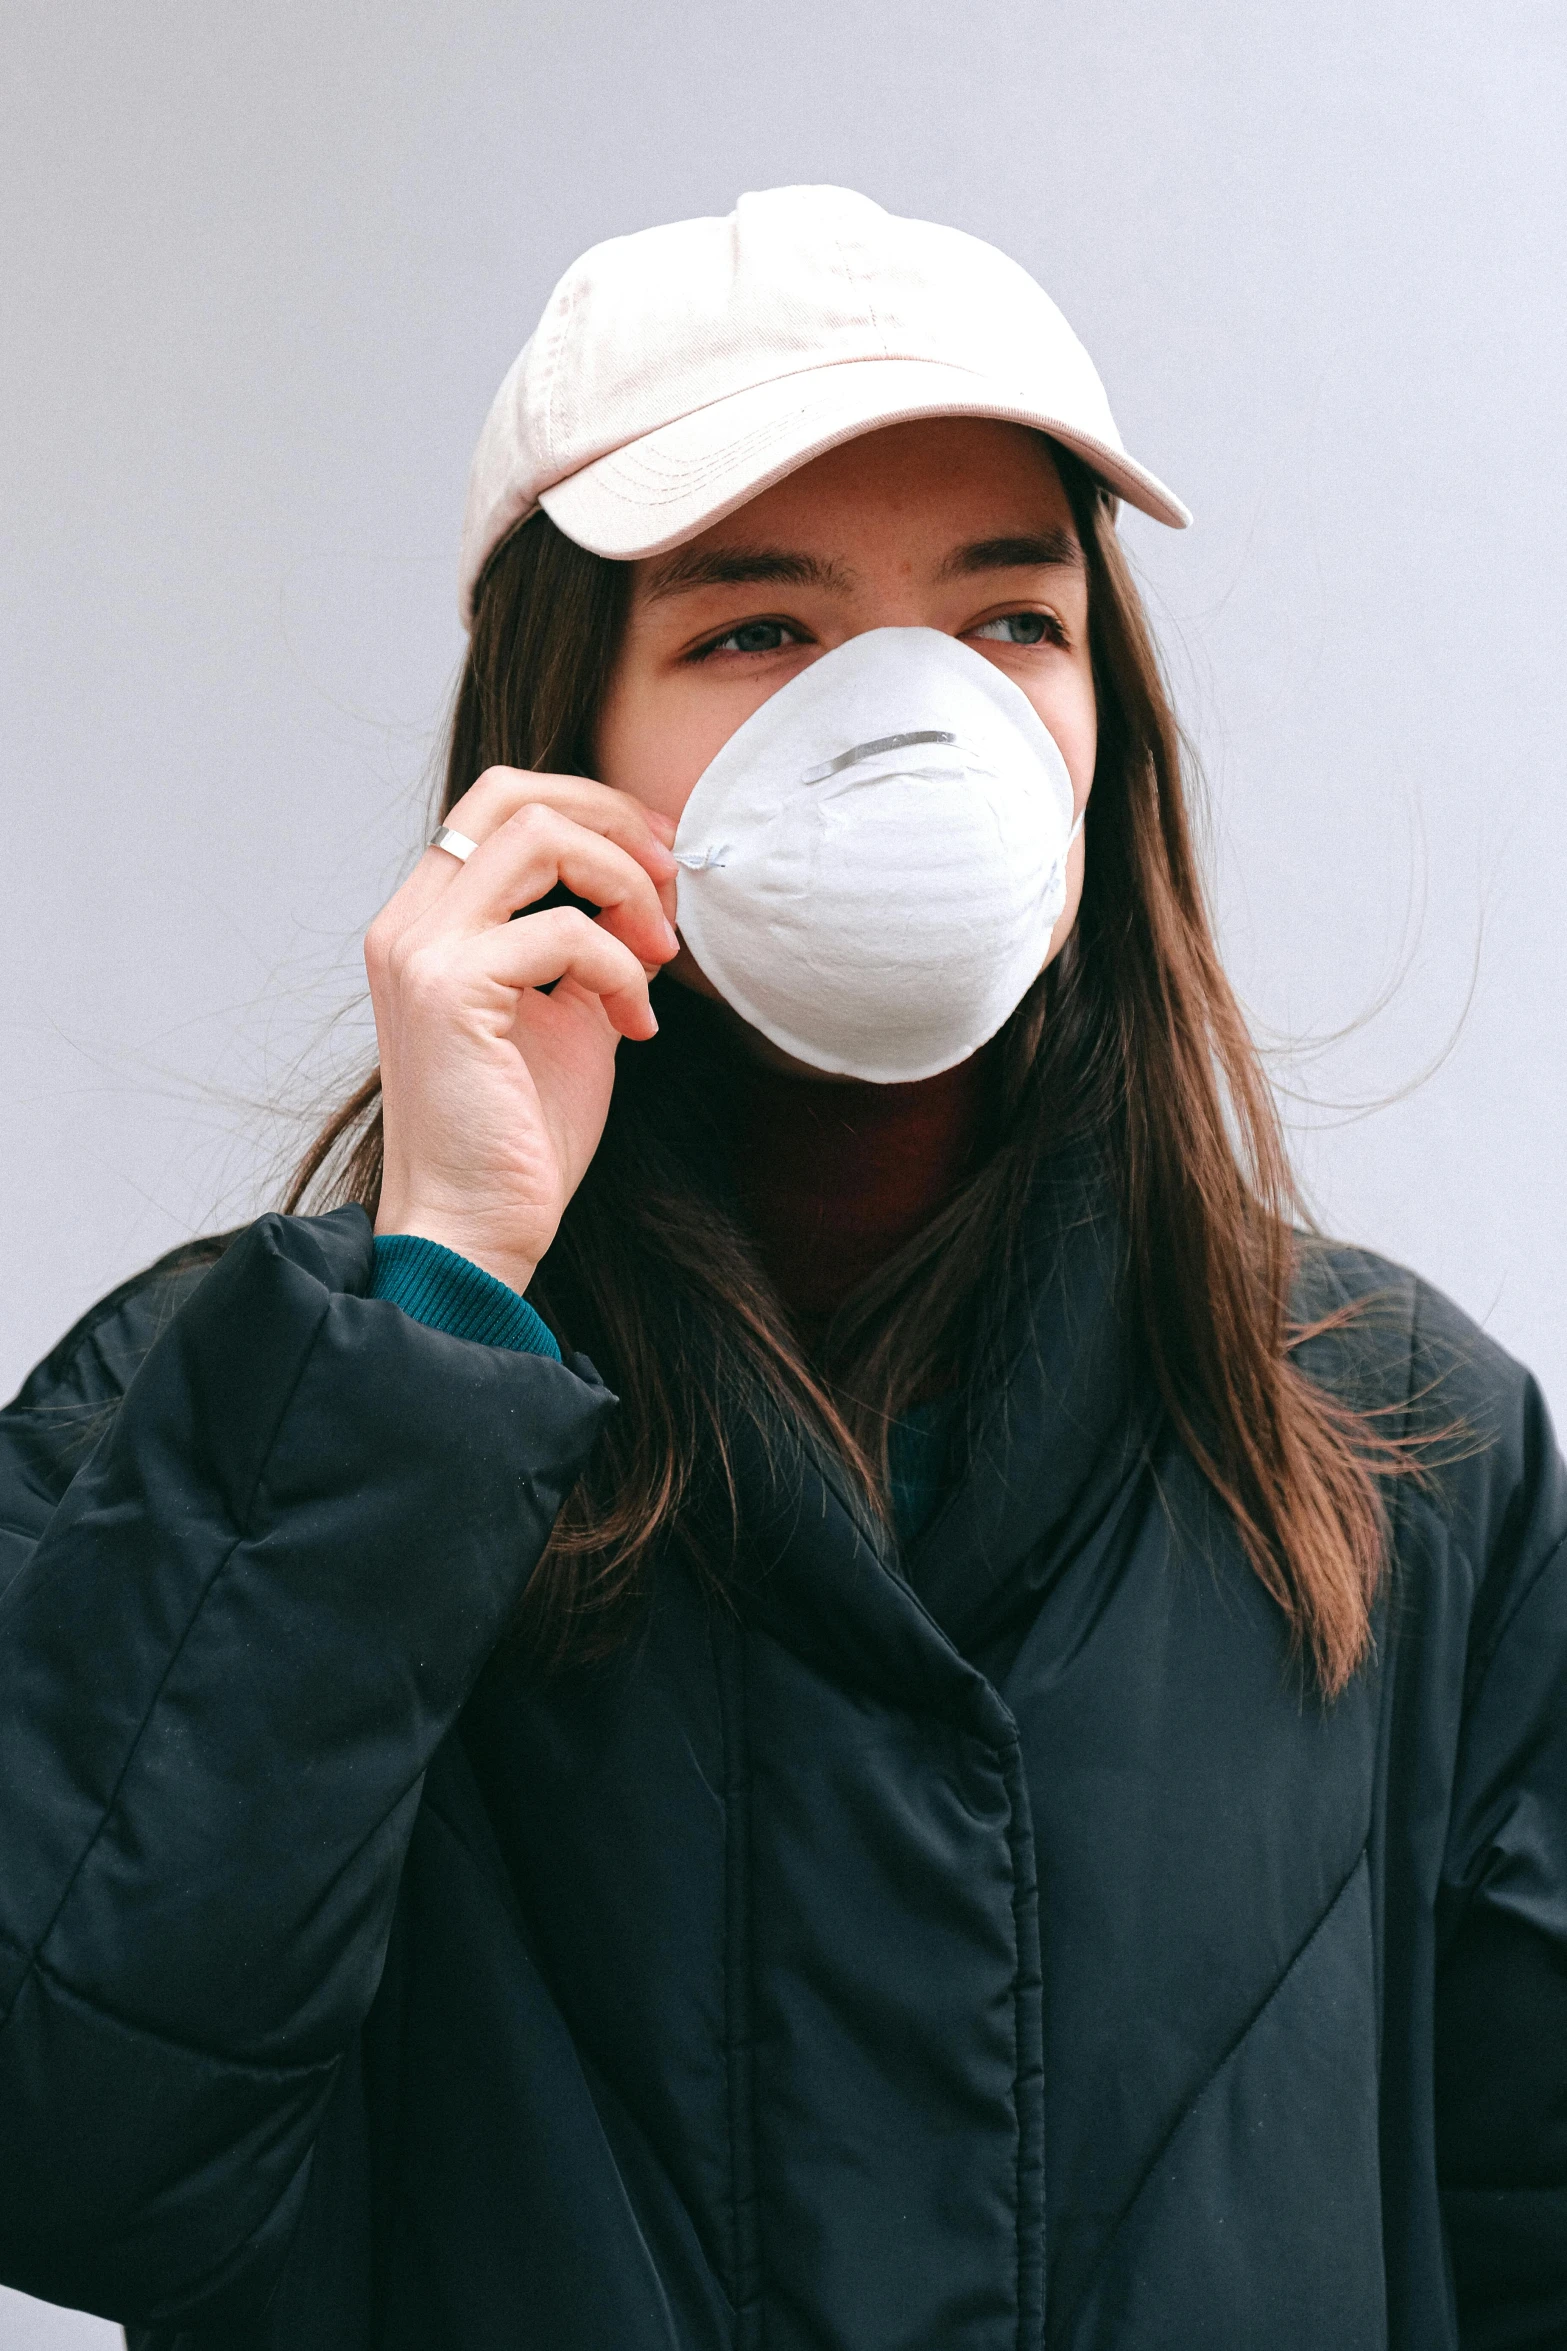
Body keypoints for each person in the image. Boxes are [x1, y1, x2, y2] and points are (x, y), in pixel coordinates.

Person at [0, 184, 1561, 2351]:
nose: (916, 724)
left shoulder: (1408, 1442)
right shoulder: (259, 1400)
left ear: (1109, 732)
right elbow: (70, 2147)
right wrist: (438, 1292)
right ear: (560, 740)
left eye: (1009, 624)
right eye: (759, 633)